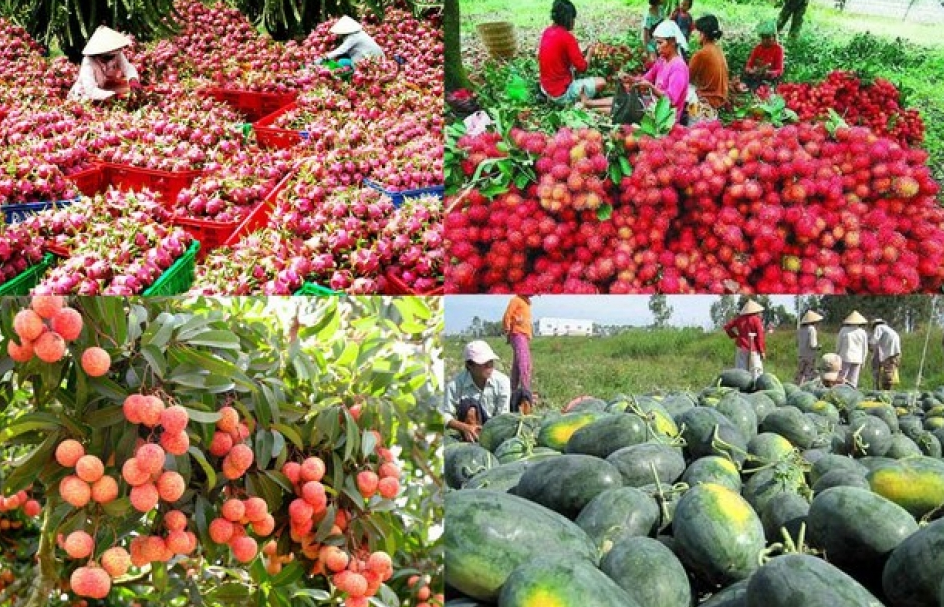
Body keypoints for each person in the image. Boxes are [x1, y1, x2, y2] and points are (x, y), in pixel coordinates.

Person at [538, 0, 605, 106]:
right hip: (560, 94)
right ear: (568, 19)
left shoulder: (547, 32)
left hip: (545, 88)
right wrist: (590, 53)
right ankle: (578, 101)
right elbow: (583, 68)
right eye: (573, 19)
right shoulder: (568, 38)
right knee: (601, 82)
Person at [443, 341, 511, 442]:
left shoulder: (502, 381)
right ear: (469, 366)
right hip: (468, 429)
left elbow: (502, 415)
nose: (489, 365)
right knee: (469, 405)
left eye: (491, 360)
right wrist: (464, 427)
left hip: (495, 429)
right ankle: (471, 439)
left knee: (523, 395)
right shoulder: (455, 385)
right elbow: (444, 414)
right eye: (483, 362)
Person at [633, 20, 690, 122]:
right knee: (622, 104)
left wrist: (651, 87)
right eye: (657, 43)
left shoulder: (678, 67)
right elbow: (647, 78)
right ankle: (593, 105)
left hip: (666, 120)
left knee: (625, 110)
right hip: (654, 108)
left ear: (672, 42)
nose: (657, 47)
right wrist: (631, 80)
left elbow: (671, 101)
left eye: (660, 43)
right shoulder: (662, 61)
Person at [68, 26, 142, 102]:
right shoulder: (88, 62)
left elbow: (127, 67)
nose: (111, 59)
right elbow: (90, 90)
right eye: (107, 57)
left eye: (112, 56)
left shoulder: (116, 54)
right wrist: (114, 96)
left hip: (103, 89)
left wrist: (133, 79)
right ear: (98, 54)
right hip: (84, 95)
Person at [688, 15, 729, 111]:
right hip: (721, 98)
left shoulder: (702, 53)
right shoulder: (718, 49)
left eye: (698, 33)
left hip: (708, 99)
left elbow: (687, 78)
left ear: (703, 34)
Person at [320, 16, 385, 67]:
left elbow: (341, 50)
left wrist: (326, 57)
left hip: (371, 61)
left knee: (342, 62)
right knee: (344, 60)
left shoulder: (353, 37)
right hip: (379, 58)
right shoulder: (360, 33)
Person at [502, 295, 533, 395]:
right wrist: (507, 329)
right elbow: (507, 315)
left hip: (523, 335)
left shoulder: (526, 303)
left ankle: (513, 390)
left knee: (518, 364)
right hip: (517, 333)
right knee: (524, 363)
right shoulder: (516, 300)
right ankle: (526, 390)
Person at [724, 300, 766, 375]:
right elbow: (760, 337)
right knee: (756, 371)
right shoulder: (756, 320)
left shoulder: (739, 319)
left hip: (741, 347)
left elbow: (727, 327)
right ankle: (755, 386)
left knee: (741, 371)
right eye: (759, 312)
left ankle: (742, 386)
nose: (760, 313)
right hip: (754, 349)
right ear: (756, 311)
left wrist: (734, 336)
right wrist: (762, 351)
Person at [743, 21, 784, 91]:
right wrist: (750, 71)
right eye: (763, 38)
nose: (765, 40)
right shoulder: (758, 48)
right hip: (755, 77)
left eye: (768, 37)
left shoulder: (778, 49)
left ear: (774, 37)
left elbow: (779, 70)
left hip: (768, 80)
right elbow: (748, 65)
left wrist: (769, 73)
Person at [836, 311, 869, 388]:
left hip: (845, 357)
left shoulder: (843, 330)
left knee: (841, 377)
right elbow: (865, 348)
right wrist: (864, 360)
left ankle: (839, 393)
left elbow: (838, 344)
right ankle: (852, 393)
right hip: (858, 358)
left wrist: (837, 354)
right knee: (853, 380)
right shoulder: (862, 332)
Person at [870, 319, 901, 390]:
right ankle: (888, 389)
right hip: (896, 352)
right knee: (891, 370)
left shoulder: (879, 327)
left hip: (890, 351)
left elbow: (874, 340)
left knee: (888, 372)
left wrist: (870, 347)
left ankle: (886, 390)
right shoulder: (889, 330)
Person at [795, 310, 823, 384]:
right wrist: (818, 347)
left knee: (800, 373)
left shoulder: (800, 329)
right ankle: (805, 387)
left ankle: (797, 386)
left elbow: (798, 342)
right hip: (810, 355)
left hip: (801, 354)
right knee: (808, 373)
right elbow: (812, 344)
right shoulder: (811, 329)